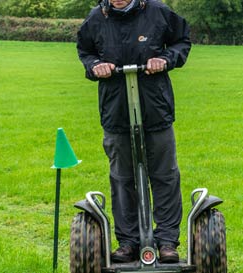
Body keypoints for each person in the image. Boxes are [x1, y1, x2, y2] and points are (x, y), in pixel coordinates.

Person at [77, 0, 191, 264]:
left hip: (155, 109)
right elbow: (85, 50)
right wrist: (95, 65)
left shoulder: (158, 11)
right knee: (122, 177)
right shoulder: (96, 17)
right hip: (116, 110)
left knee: (165, 175)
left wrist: (165, 59)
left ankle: (166, 241)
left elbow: (181, 41)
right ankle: (128, 242)